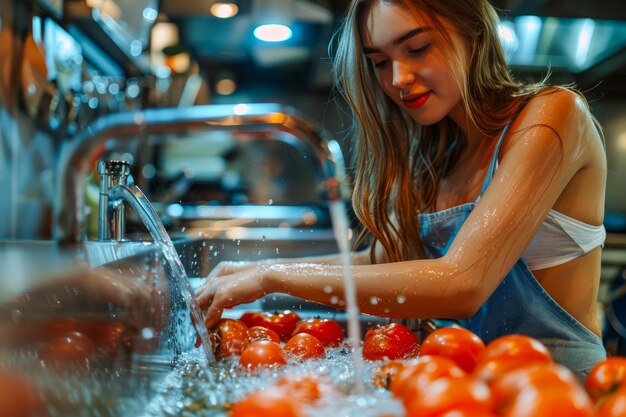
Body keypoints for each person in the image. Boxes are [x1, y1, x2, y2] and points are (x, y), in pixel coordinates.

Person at [196, 0, 607, 374]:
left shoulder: (552, 116)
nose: (398, 79)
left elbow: (462, 282)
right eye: (379, 62)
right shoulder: (438, 154)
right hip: (462, 386)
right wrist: (249, 272)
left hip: (556, 390)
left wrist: (273, 277)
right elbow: (384, 260)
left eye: (417, 48)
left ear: (474, 34)